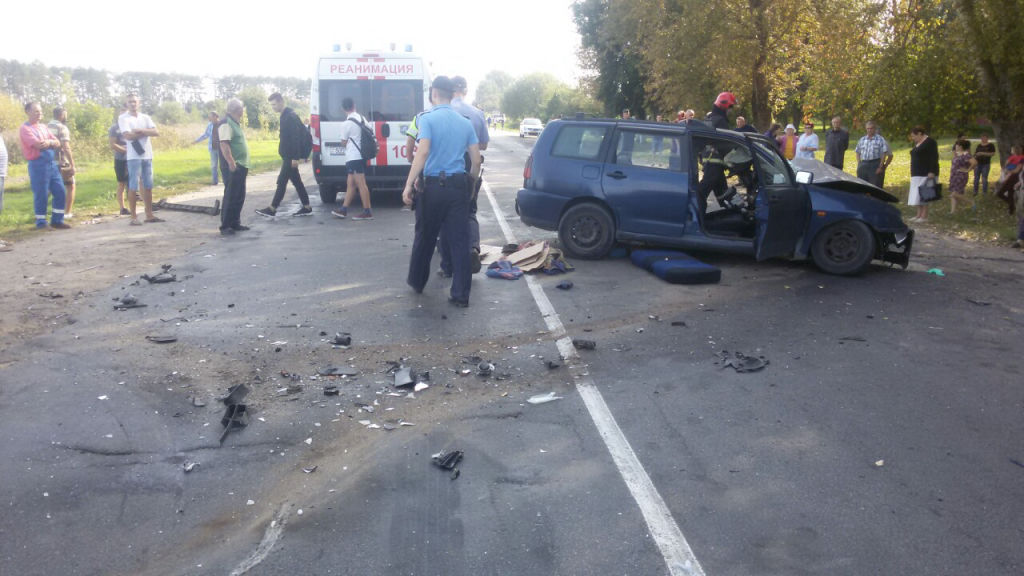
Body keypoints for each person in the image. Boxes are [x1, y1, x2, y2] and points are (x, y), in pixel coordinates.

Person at [401, 75, 481, 308]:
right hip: (458, 186)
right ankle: (460, 295)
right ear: (452, 93)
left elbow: (422, 152)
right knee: (459, 241)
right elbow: (476, 161)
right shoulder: (465, 122)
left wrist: (409, 183)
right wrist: (471, 187)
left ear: (434, 93)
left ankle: (417, 281)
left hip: (433, 187)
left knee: (425, 236)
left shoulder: (427, 119)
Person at [443, 76, 490, 275]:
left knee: (445, 216)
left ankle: (447, 265)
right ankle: (472, 248)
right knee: (469, 211)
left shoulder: (442, 113)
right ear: (466, 91)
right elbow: (484, 145)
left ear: (449, 91)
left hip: (447, 170)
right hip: (470, 166)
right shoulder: (477, 114)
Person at [256, 93, 313, 218]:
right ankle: (306, 206)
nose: (273, 107)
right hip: (288, 155)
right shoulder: (285, 116)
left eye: (274, 104)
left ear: (281, 101)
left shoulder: (290, 116)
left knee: (281, 182)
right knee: (297, 182)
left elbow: (295, 138)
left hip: (290, 156)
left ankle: (272, 208)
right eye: (271, 105)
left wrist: (295, 157)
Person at [18, 102, 69, 229]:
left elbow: (57, 142)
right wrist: (50, 142)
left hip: (51, 164)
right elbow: (38, 145)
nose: (39, 113)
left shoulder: (43, 127)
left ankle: (57, 220)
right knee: (41, 193)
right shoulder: (25, 129)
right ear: (27, 112)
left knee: (60, 191)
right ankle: (41, 222)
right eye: (36, 111)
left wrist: (50, 142)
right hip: (38, 165)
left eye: (40, 111)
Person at [119, 93, 162, 225]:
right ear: (126, 104)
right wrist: (145, 132)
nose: (133, 104)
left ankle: (149, 214)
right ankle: (133, 216)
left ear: (139, 103)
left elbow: (156, 132)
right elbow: (128, 136)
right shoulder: (123, 118)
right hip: (133, 157)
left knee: (148, 186)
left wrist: (140, 131)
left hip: (147, 155)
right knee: (133, 186)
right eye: (130, 102)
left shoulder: (145, 117)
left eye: (135, 102)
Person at [331, 97, 373, 220]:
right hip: (361, 155)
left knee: (361, 184)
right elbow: (370, 131)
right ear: (354, 105)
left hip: (354, 157)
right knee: (351, 184)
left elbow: (343, 142)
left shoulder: (346, 124)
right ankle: (343, 209)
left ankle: (367, 211)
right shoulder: (362, 118)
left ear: (343, 108)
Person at [218, 98, 249, 235]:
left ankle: (235, 223)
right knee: (231, 195)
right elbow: (224, 144)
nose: (243, 110)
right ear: (238, 109)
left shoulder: (235, 123)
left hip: (241, 164)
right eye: (242, 108)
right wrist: (231, 162)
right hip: (233, 165)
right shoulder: (226, 122)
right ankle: (225, 225)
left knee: (239, 195)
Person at [907, 126, 939, 222]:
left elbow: (934, 157)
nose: (913, 138)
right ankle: (918, 214)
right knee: (916, 194)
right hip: (916, 172)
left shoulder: (930, 142)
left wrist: (932, 171)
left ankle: (924, 216)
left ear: (920, 133)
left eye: (914, 136)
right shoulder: (918, 143)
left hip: (926, 172)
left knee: (924, 194)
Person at [48, 107, 76, 219]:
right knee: (70, 186)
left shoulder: (45, 127)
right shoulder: (62, 127)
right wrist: (72, 164)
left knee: (49, 187)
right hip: (61, 161)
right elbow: (66, 147)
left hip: (48, 161)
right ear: (62, 115)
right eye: (65, 114)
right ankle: (67, 213)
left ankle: (41, 212)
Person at [855, 121, 893, 188]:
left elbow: (884, 154)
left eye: (871, 128)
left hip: (875, 164)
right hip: (863, 164)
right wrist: (859, 163)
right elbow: (857, 152)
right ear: (866, 129)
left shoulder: (880, 139)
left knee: (875, 187)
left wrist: (881, 167)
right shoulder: (862, 139)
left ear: (875, 129)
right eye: (868, 128)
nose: (869, 130)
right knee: (862, 186)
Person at [108, 109, 130, 215]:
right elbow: (112, 145)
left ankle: (136, 206)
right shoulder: (114, 128)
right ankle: (122, 208)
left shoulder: (131, 125)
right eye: (122, 114)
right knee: (121, 183)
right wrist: (126, 150)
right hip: (120, 159)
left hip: (132, 159)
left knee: (134, 182)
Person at [948, 139, 977, 213]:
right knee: (954, 194)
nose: (955, 146)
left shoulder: (965, 154)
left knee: (954, 194)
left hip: (960, 177)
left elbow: (974, 162)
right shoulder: (957, 154)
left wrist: (968, 170)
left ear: (960, 146)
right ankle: (952, 212)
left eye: (957, 145)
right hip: (954, 176)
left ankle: (971, 202)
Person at [193, 111, 221, 186]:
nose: (209, 118)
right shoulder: (209, 125)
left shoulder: (221, 124)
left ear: (215, 116)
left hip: (222, 148)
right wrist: (196, 140)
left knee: (223, 165)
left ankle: (227, 180)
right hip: (213, 148)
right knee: (214, 165)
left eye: (210, 116)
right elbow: (206, 135)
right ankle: (215, 181)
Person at [996, 144, 1024, 214]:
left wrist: (1007, 171)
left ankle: (1012, 205)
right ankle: (1011, 209)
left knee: (1000, 193)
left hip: (1015, 177)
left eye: (1012, 149)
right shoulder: (1014, 157)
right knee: (1010, 192)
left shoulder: (1022, 159)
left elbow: (1017, 170)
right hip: (1013, 176)